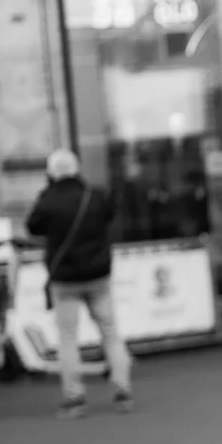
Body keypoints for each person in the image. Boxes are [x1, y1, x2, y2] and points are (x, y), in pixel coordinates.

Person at [25, 148, 134, 418]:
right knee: (110, 333)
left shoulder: (48, 200)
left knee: (68, 339)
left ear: (51, 172)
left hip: (65, 280)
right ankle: (123, 390)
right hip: (98, 275)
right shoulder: (94, 196)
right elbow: (110, 214)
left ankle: (75, 397)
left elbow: (33, 227)